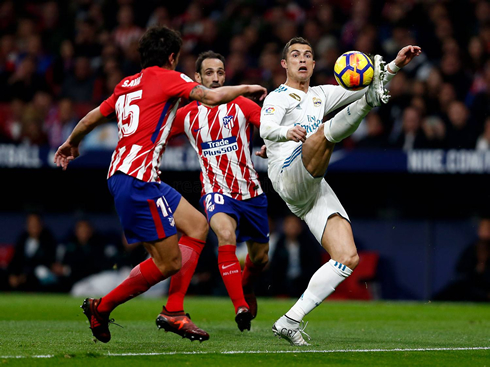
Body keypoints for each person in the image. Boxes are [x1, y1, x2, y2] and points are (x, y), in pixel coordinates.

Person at [54, 25, 267, 344]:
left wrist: (72, 141)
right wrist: (246, 86)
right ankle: (103, 307)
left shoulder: (125, 85)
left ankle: (174, 309)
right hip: (138, 180)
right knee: (168, 262)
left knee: (197, 225)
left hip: (131, 177)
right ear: (172, 56)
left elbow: (92, 118)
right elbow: (209, 96)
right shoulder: (169, 77)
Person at [260, 37, 421, 345]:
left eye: (308, 54)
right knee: (322, 136)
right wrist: (285, 132)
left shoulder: (322, 94)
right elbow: (265, 129)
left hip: (312, 185)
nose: (302, 59)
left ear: (315, 64)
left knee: (347, 257)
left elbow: (365, 85)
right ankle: (371, 104)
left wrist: (396, 64)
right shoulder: (278, 98)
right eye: (295, 55)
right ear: (285, 64)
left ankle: (290, 320)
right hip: (286, 174)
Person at [168, 51, 269, 332]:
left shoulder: (241, 104)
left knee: (260, 259)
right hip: (216, 192)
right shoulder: (187, 115)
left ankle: (246, 284)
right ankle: (240, 306)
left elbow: (268, 126)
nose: (215, 78)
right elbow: (157, 134)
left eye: (220, 73)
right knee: (225, 235)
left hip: (251, 193)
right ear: (198, 78)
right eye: (209, 73)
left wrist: (273, 142)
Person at [434, 217, 490, 302]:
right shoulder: (472, 249)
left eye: (488, 228)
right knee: (454, 289)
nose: (485, 232)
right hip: (472, 286)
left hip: (485, 287)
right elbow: (461, 271)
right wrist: (477, 269)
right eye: (483, 228)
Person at [7, 211, 58, 292]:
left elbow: (47, 262)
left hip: (36, 277)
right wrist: (12, 275)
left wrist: (24, 276)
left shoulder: (48, 240)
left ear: (41, 225)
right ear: (26, 225)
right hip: (21, 276)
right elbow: (15, 259)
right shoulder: (22, 239)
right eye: (30, 223)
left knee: (40, 271)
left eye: (36, 223)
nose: (33, 226)